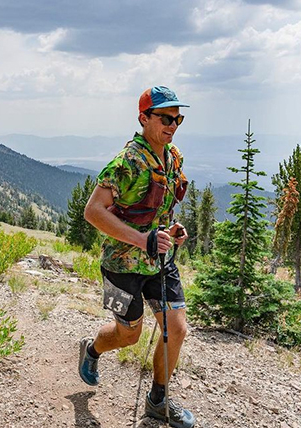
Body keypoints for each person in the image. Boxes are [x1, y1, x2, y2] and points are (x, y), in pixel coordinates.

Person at [79, 86, 195, 428]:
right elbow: (93, 212)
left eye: (178, 118)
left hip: (160, 261)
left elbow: (156, 208)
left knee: (176, 329)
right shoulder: (126, 163)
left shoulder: (173, 157)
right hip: (120, 267)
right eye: (165, 118)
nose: (172, 125)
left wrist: (172, 228)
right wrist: (142, 240)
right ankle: (93, 349)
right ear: (144, 118)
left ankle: (158, 400)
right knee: (128, 334)